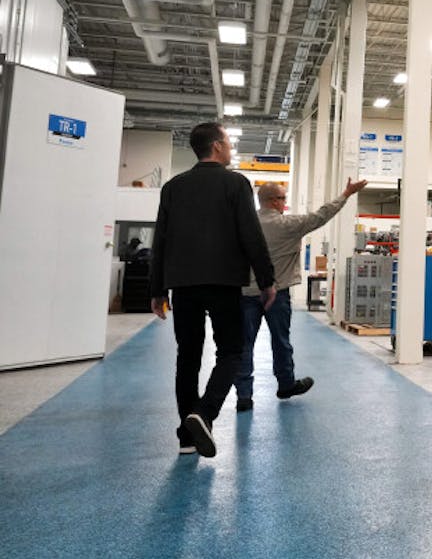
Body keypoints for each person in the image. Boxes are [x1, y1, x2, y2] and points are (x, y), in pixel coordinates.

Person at [151, 122, 275, 459]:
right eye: (228, 142)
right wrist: (266, 280)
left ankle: (186, 439)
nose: (230, 147)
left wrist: (158, 288)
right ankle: (203, 415)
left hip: (183, 283)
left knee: (187, 357)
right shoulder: (236, 183)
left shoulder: (173, 186)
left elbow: (160, 239)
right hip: (224, 282)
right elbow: (251, 235)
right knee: (231, 351)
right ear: (218, 146)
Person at [234, 177, 369, 411]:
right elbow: (321, 215)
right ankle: (286, 385)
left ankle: (244, 396)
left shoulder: (243, 224)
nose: (285, 203)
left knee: (244, 345)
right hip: (277, 293)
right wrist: (346, 193)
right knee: (281, 341)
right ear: (274, 201)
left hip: (244, 293)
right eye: (283, 198)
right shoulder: (288, 225)